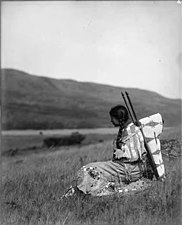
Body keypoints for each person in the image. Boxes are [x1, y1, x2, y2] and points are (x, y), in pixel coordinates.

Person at [63, 105, 155, 197]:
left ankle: (97, 193)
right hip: (128, 168)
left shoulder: (131, 131)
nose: (111, 120)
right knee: (91, 169)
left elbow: (134, 156)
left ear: (119, 118)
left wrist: (121, 154)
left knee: (88, 169)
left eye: (112, 118)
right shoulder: (130, 129)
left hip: (128, 169)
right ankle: (87, 192)